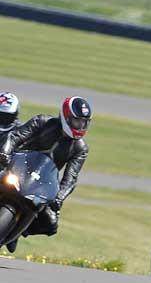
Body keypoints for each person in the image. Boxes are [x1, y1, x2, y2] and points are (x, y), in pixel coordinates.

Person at [0, 96, 92, 252]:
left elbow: (71, 178)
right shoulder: (43, 122)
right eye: (77, 121)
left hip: (41, 184)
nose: (80, 126)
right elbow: (16, 136)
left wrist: (60, 197)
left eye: (84, 123)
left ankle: (21, 231)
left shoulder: (80, 149)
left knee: (51, 222)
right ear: (66, 117)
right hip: (15, 166)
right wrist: (5, 151)